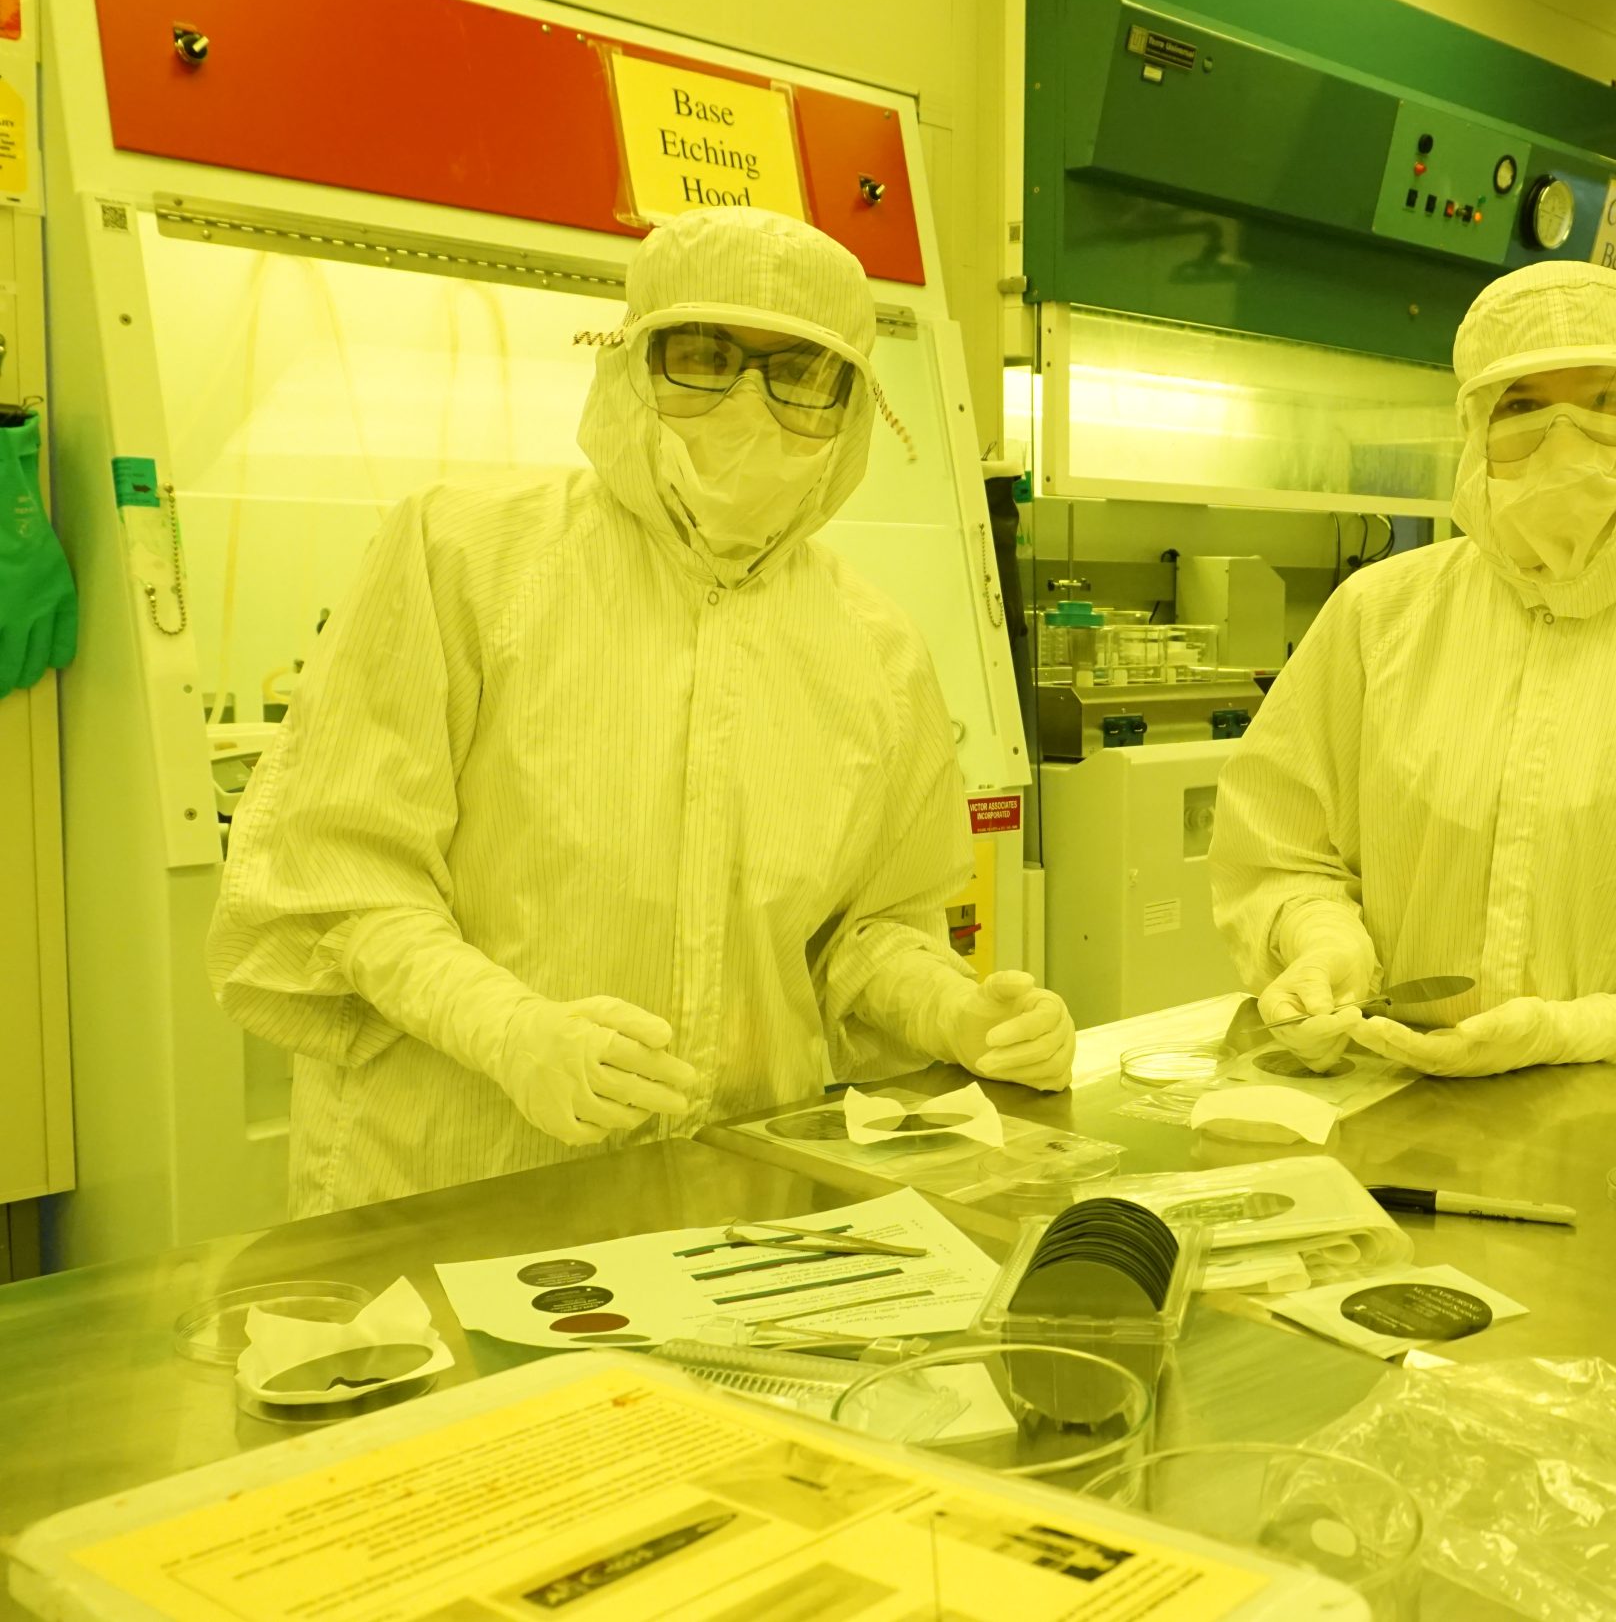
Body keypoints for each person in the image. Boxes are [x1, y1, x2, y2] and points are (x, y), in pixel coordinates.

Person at [209, 207, 1073, 1216]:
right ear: (631, 366)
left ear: (850, 406)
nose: (751, 404)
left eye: (798, 374)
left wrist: (960, 1016)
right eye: (705, 357)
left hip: (734, 1195)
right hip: (451, 1184)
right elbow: (340, 877)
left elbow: (870, 932)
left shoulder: (874, 646)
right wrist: (508, 1030)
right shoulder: (463, 561)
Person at [1210, 260, 1616, 1077]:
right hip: (1388, 1093)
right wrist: (1323, 944)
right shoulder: (1376, 618)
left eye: (1605, 404)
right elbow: (1279, 847)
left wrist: (1590, 1030)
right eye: (1525, 408)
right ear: (1475, 432)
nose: (1563, 442)